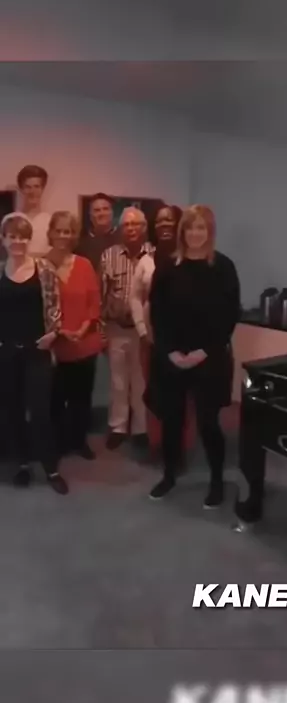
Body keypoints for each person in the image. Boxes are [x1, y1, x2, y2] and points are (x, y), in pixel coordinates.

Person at [145, 204, 241, 507]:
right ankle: (169, 475)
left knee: (208, 423)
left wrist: (204, 351)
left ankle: (216, 480)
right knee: (171, 422)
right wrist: (170, 352)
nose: (195, 233)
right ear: (182, 231)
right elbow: (157, 314)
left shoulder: (223, 267)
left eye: (201, 227)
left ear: (209, 231)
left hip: (209, 358)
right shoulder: (167, 267)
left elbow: (229, 316)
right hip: (172, 358)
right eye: (190, 227)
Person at [0, 213, 68, 493]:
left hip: (37, 351)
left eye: (22, 237)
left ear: (29, 239)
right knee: (12, 410)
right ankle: (23, 465)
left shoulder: (44, 269)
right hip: (7, 354)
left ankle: (51, 468)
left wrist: (53, 333)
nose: (17, 242)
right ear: (3, 239)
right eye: (12, 236)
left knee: (40, 412)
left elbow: (56, 305)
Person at [130, 204, 188, 454]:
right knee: (154, 391)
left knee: (183, 396)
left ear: (179, 224)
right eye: (159, 221)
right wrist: (143, 331)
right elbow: (135, 298)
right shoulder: (146, 261)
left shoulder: (189, 258)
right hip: (151, 339)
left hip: (183, 340)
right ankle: (158, 445)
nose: (164, 225)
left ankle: (180, 447)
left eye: (169, 220)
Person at [47, 211, 103, 460]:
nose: (63, 235)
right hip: (54, 346)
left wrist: (82, 328)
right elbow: (39, 306)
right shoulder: (40, 266)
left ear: (74, 235)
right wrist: (59, 331)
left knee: (81, 398)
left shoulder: (84, 265)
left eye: (68, 231)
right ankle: (58, 442)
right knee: (55, 399)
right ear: (51, 233)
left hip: (84, 343)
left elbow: (94, 302)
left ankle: (79, 441)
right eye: (59, 230)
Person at [100, 207, 154, 450]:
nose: (131, 229)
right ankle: (118, 427)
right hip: (116, 329)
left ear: (144, 227)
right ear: (120, 229)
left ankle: (141, 428)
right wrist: (102, 327)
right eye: (126, 225)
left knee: (141, 381)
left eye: (136, 224)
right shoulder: (109, 255)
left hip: (145, 331)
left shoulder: (154, 254)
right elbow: (101, 294)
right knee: (118, 381)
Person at [76, 193, 119, 273]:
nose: (102, 213)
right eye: (97, 210)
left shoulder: (123, 240)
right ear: (90, 215)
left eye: (105, 209)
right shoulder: (80, 243)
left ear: (112, 212)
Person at [15, 164, 51, 257]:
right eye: (28, 187)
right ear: (21, 189)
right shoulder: (12, 220)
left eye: (36, 186)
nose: (32, 191)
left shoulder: (51, 221)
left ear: (42, 189)